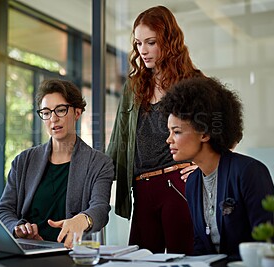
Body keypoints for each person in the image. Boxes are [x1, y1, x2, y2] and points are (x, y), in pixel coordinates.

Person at [106, 5, 203, 254]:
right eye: (138, 43)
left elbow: (226, 130)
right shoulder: (134, 86)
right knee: (139, 259)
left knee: (184, 259)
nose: (143, 51)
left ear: (168, 41)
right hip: (140, 188)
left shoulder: (193, 82)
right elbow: (118, 140)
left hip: (176, 185)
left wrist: (203, 164)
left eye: (151, 42)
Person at [160, 76, 274, 260]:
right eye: (169, 132)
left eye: (177, 132)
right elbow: (200, 246)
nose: (169, 140)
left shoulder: (249, 172)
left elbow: (268, 246)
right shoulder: (192, 182)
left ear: (205, 133)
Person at [0, 79, 114, 248]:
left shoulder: (99, 163)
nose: (53, 119)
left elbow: (100, 208)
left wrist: (82, 220)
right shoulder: (23, 161)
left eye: (60, 110)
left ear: (77, 113)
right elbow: (4, 210)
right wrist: (17, 228)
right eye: (46, 112)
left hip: (72, 254)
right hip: (27, 252)